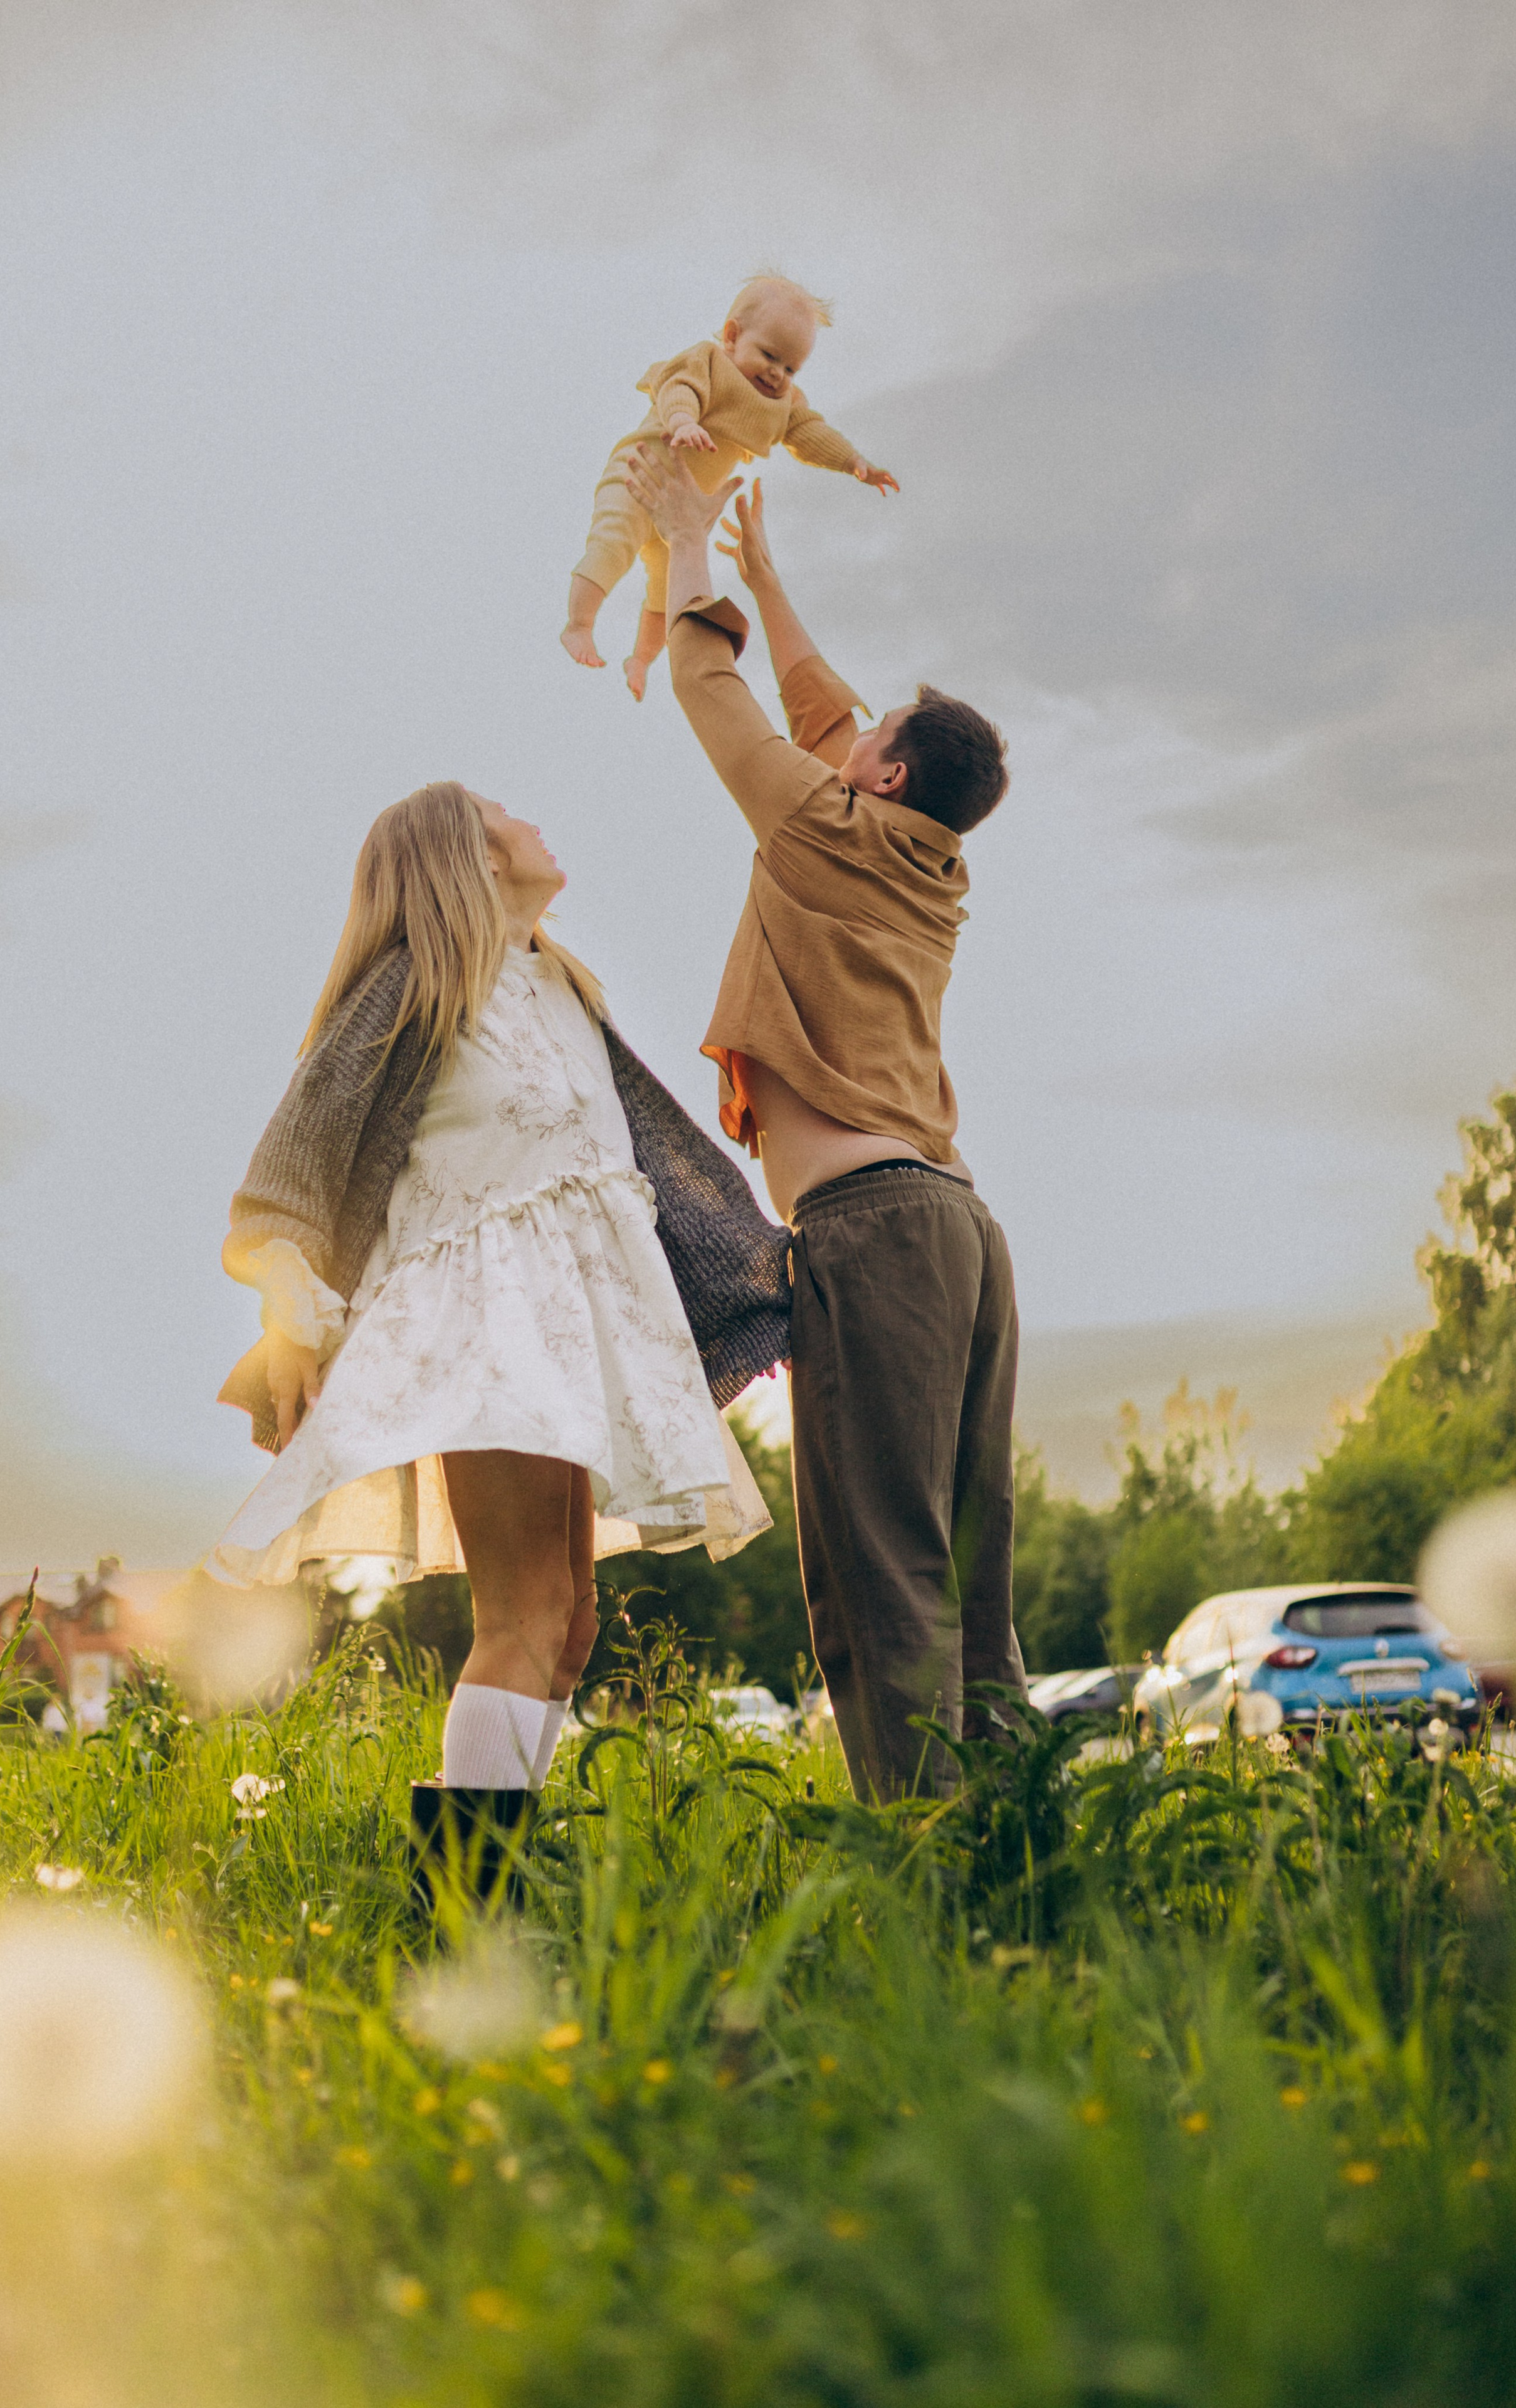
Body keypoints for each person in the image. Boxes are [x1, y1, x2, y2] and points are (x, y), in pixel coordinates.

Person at [211, 780, 787, 1794]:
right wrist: (292, 1306)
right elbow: (291, 1168)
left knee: (569, 1624)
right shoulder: (418, 985)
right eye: (504, 815)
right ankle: (468, 1897)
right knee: (520, 1615)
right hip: (483, 1326)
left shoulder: (562, 992)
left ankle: (499, 1847)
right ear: (469, 857)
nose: (534, 819)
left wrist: (759, 1276)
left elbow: (659, 1177)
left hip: (576, 1333)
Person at [622, 448, 1028, 1802]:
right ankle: (1008, 1849)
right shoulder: (930, 860)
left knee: (880, 1569)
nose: (834, 742)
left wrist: (686, 549)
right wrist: (775, 576)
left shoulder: (819, 830)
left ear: (883, 772)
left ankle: (925, 1865)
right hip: (961, 1233)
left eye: (857, 748)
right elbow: (828, 708)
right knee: (969, 1573)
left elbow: (709, 685)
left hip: (869, 1238)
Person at [561, 274, 897, 700]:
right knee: (613, 543)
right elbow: (679, 388)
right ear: (734, 336)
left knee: (669, 590)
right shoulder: (708, 362)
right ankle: (579, 625)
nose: (778, 374)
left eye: (791, 367)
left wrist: (853, 462)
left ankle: (641, 658)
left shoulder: (785, 404)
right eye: (770, 355)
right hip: (636, 475)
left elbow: (810, 433)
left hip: (681, 515)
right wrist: (683, 420)